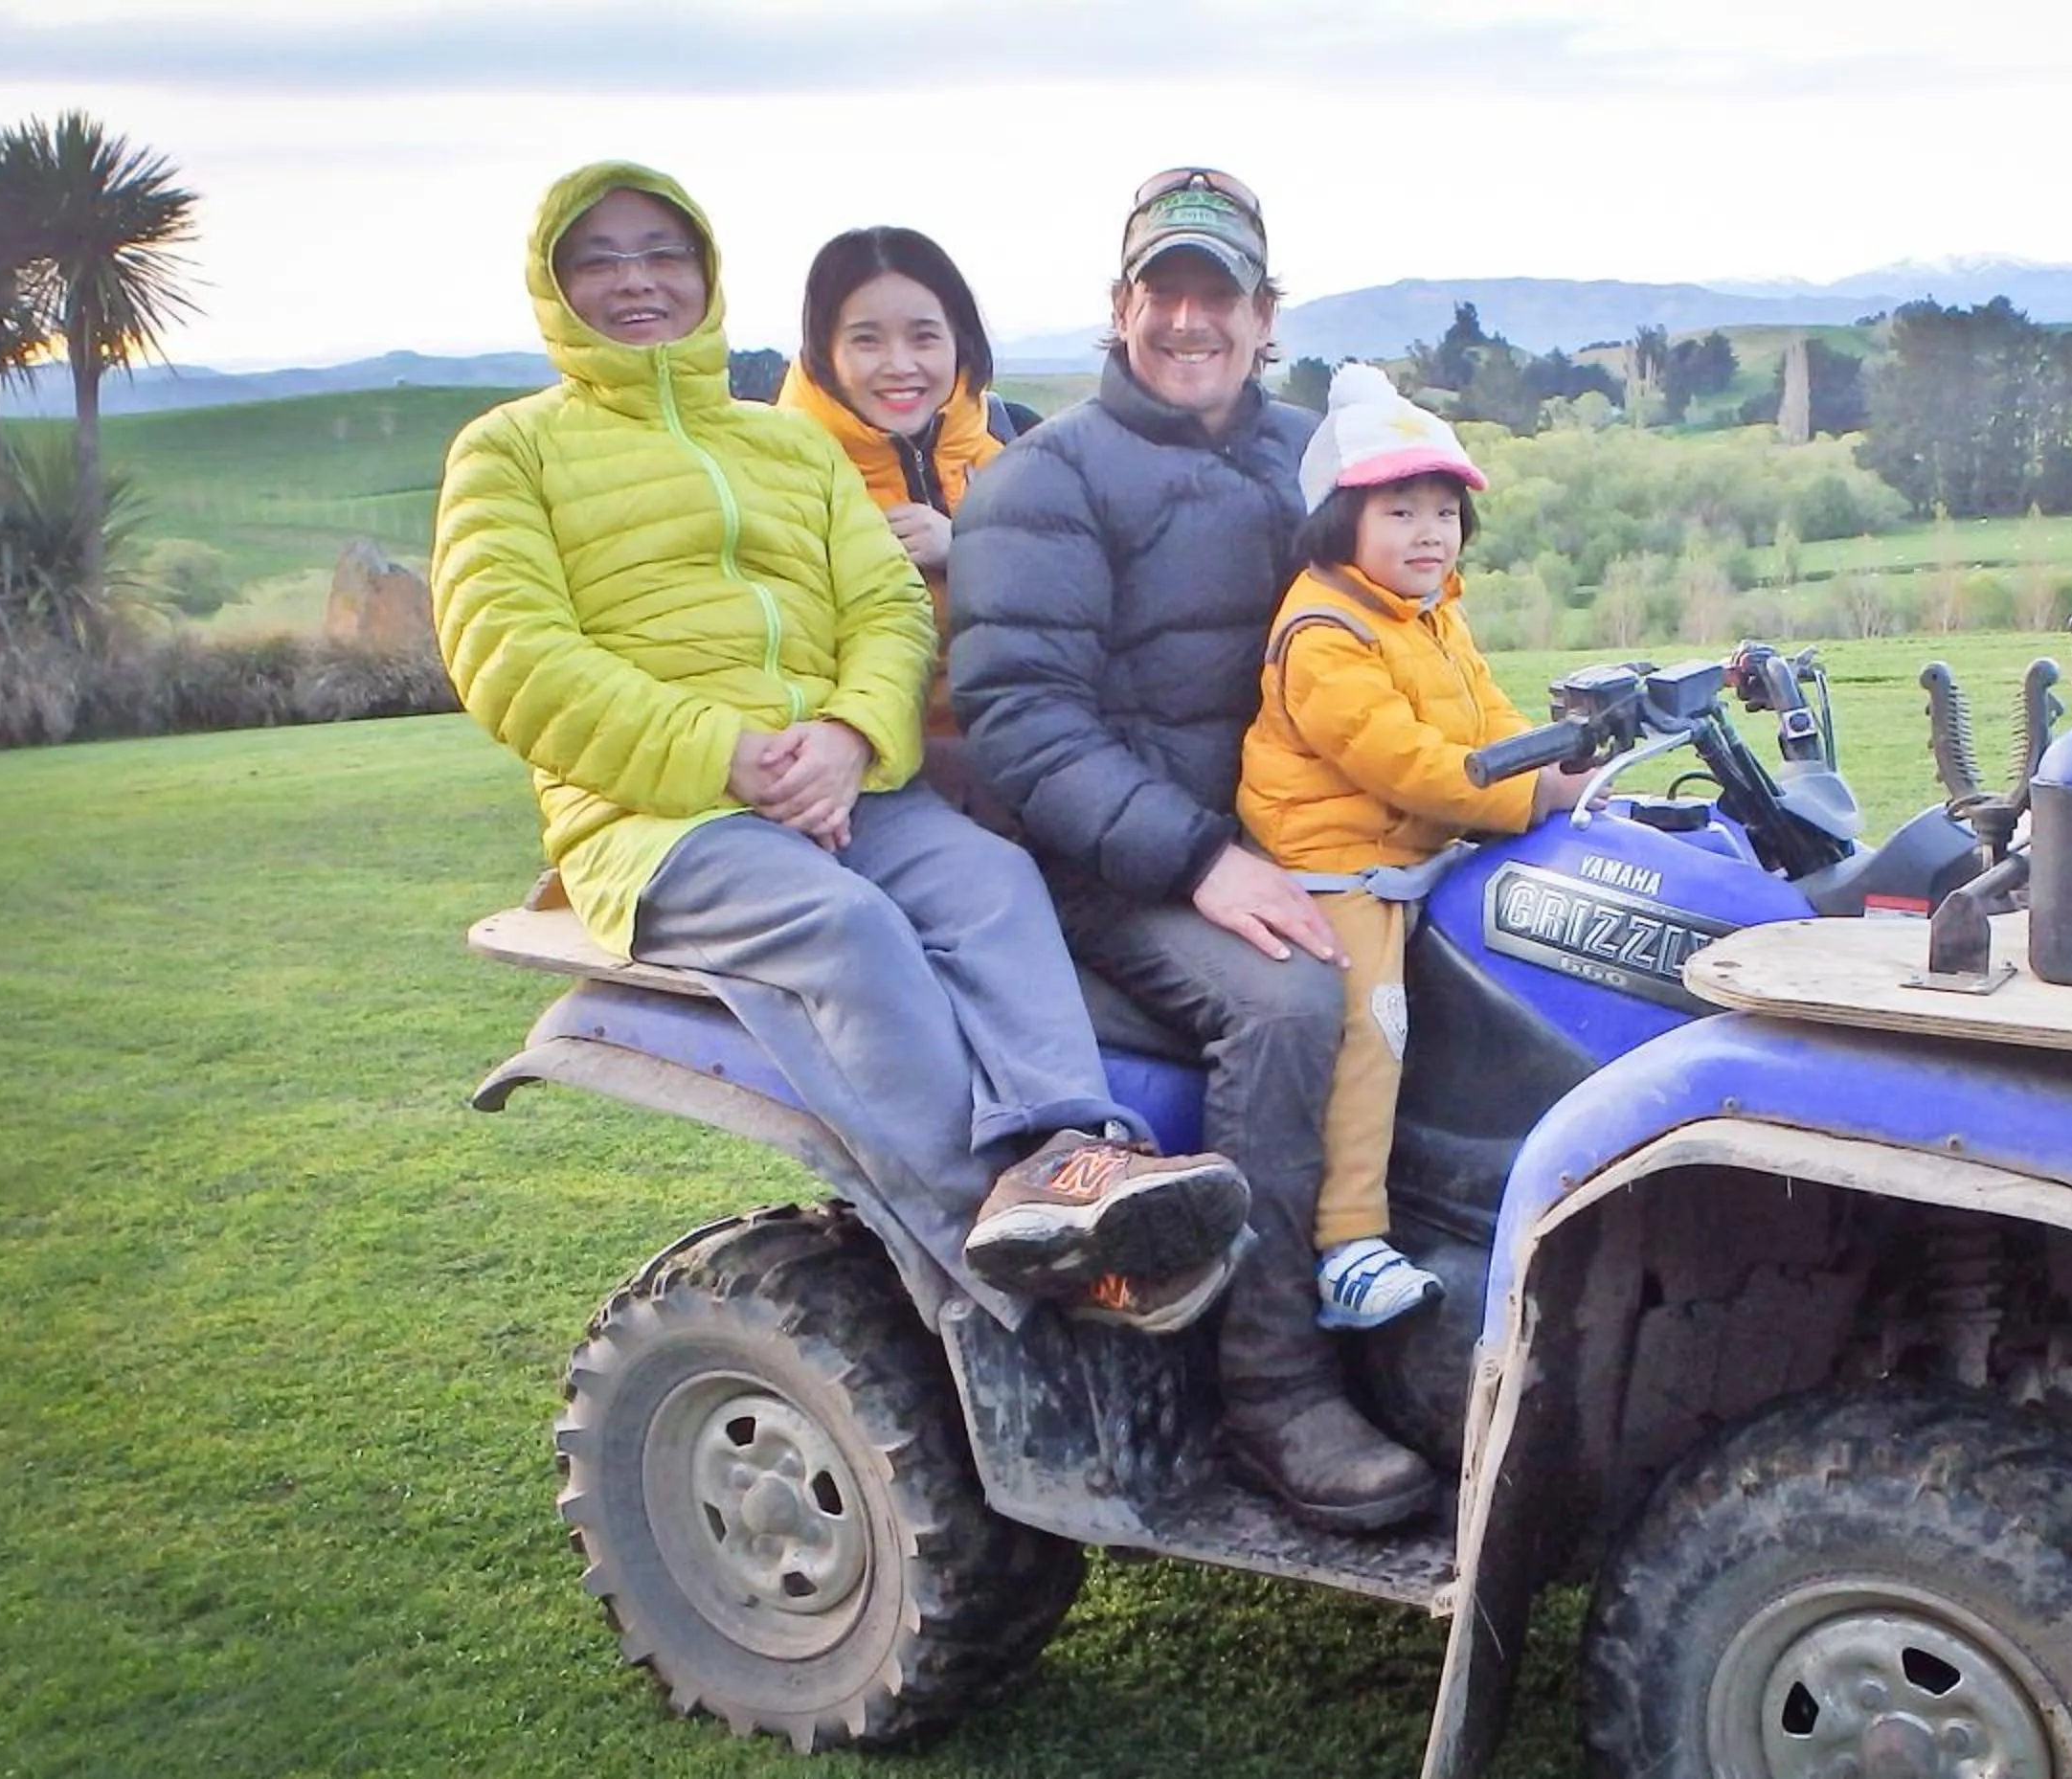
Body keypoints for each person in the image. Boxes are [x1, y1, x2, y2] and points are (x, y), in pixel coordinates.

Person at [431, 162, 1250, 1336]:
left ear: (705, 273)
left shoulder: (790, 450)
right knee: (846, 927)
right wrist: (729, 755)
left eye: (662, 253)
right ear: (555, 284)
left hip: (837, 779)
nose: (637, 280)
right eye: (601, 258)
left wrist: (846, 734)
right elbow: (509, 656)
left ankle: (1078, 1157)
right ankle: (1017, 1238)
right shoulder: (508, 453)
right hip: (661, 816)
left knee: (988, 878)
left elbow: (890, 612)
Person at [949, 169, 1435, 1532]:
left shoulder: (1322, 458)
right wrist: (1200, 860)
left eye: (1215, 293)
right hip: (1120, 866)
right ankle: (1276, 1393)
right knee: (1290, 1002)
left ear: (1265, 314)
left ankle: (1412, 1295)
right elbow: (1024, 726)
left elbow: (1408, 617)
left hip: (1312, 833)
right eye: (1160, 290)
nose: (1186, 318)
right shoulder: (1043, 483)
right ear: (1119, 307)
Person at [1236, 363, 1592, 1331]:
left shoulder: (1434, 616)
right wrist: (1528, 795)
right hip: (1338, 859)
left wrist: (1565, 762)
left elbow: (1491, 719)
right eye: (1400, 512)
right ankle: (1348, 1242)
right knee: (1374, 1024)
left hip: (1418, 846)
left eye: (1442, 511)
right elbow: (1405, 763)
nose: (1428, 532)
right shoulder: (1323, 630)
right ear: (1339, 520)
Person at [775, 227, 1025, 805]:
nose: (900, 364)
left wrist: (968, 550)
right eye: (866, 340)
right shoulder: (775, 473)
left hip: (1020, 763)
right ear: (823, 350)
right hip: (862, 785)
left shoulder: (1016, 444)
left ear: (959, 339)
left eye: (924, 337)